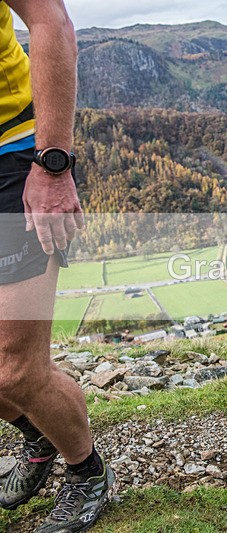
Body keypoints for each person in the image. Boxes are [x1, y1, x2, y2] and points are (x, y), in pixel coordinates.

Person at [0, 1, 115, 531]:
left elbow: (49, 19)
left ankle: (87, 472)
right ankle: (38, 438)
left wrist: (52, 163)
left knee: (15, 368)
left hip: (13, 154)